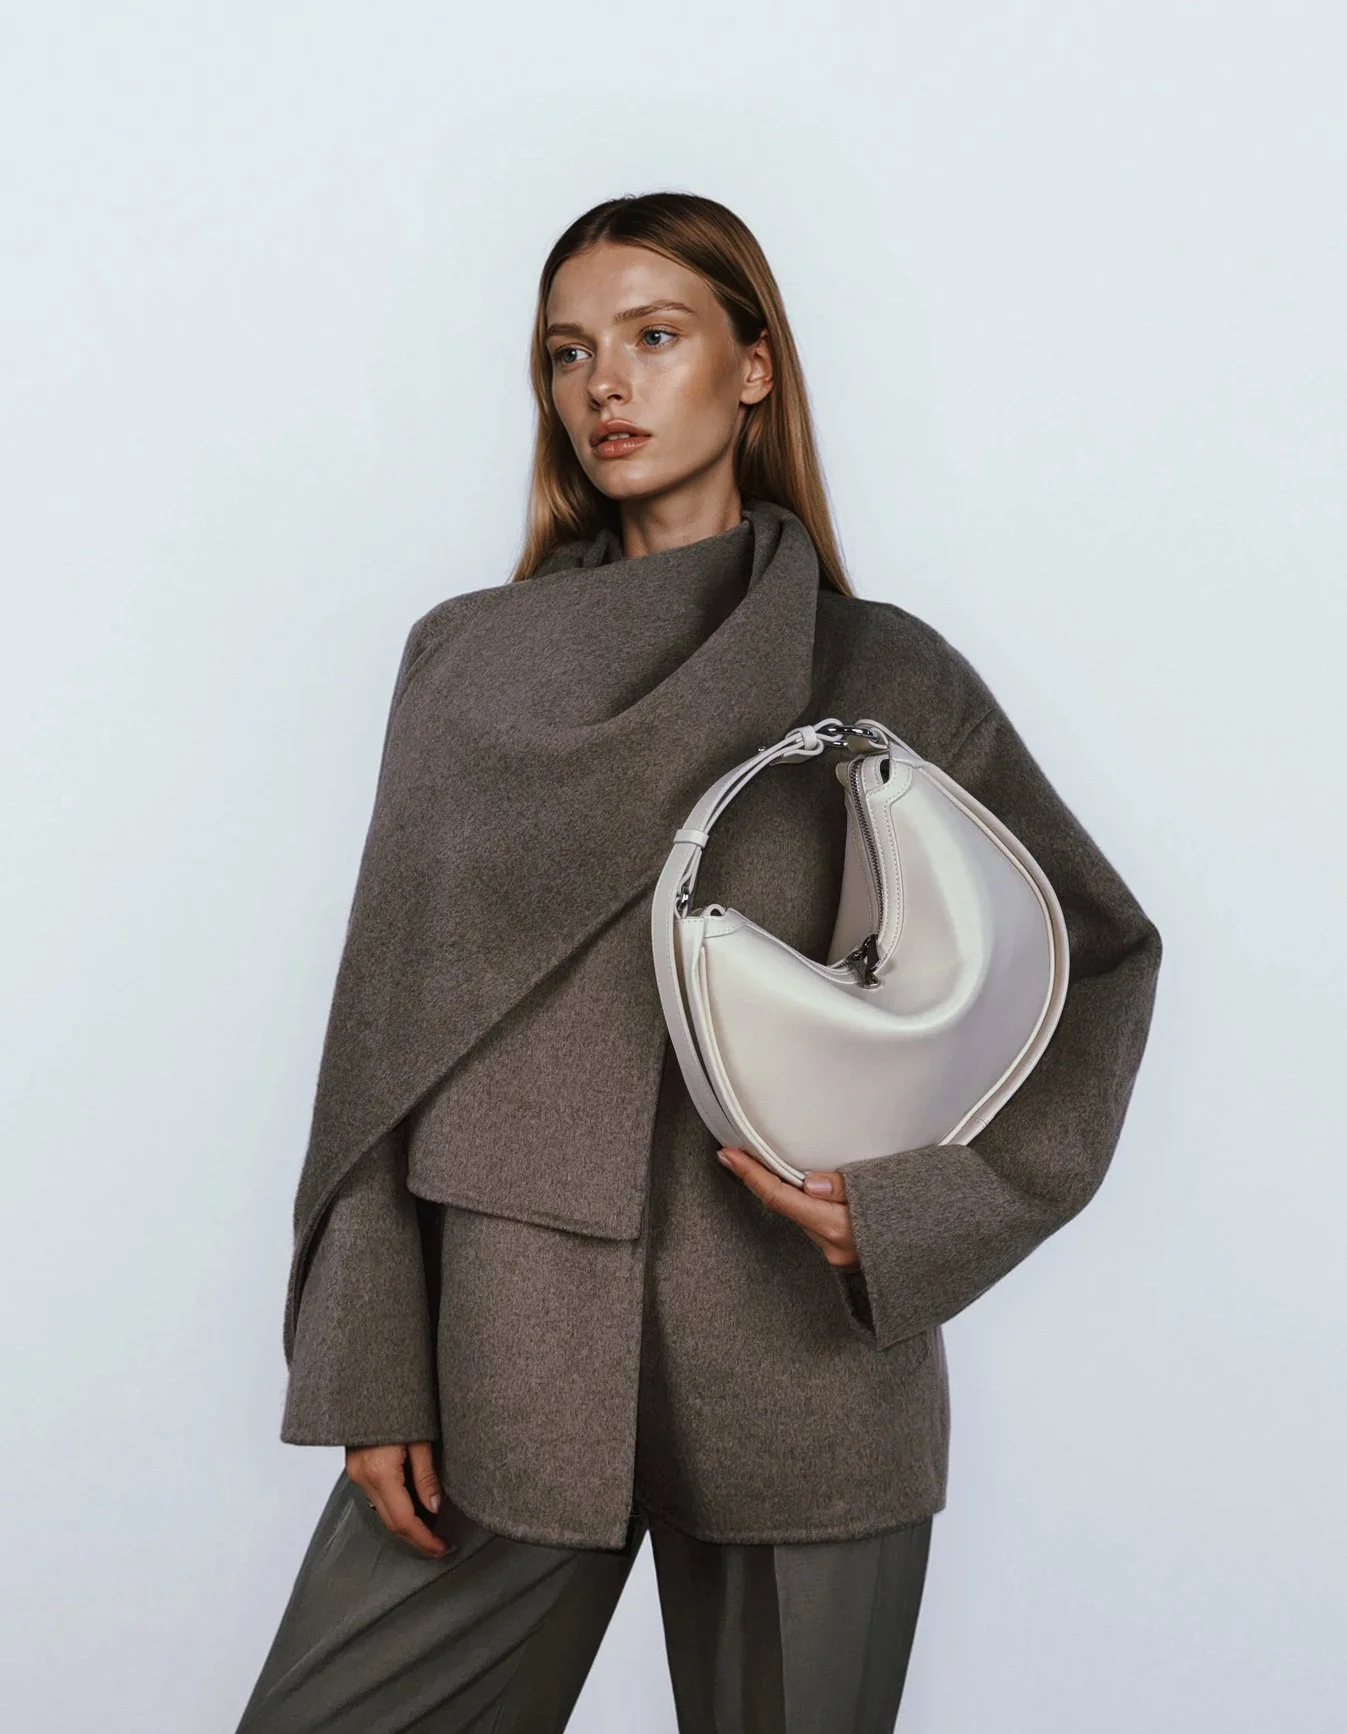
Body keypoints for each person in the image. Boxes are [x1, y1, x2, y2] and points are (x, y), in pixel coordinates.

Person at [233, 191, 1163, 1734]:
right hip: (503, 1348)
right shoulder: (467, 667)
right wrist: (370, 1361)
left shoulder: (883, 671)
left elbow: (1095, 957)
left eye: (653, 336)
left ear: (751, 366)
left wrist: (911, 1217)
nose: (603, 383)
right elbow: (381, 1042)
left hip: (799, 1361)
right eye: (566, 353)